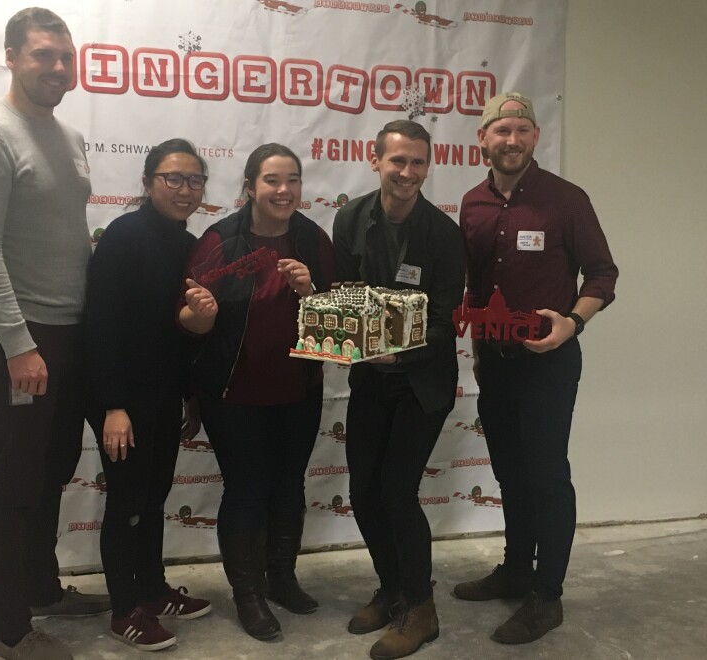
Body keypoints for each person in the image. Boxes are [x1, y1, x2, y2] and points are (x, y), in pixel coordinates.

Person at [0, 8, 112, 660]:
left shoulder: (65, 135)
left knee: (53, 471)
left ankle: (41, 588)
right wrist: (19, 344)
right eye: (44, 55)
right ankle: (8, 630)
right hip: (16, 335)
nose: (57, 68)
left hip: (67, 334)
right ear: (12, 56)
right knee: (13, 483)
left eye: (66, 57)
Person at [454, 92, 618, 645]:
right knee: (508, 470)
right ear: (483, 140)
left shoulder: (566, 200)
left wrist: (573, 321)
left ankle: (547, 596)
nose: (512, 139)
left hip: (548, 362)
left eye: (522, 129)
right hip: (494, 362)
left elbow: (602, 275)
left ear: (535, 137)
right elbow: (475, 286)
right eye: (501, 130)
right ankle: (516, 569)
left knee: (546, 476)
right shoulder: (472, 204)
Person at [178, 144, 336, 641]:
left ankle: (282, 580)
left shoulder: (312, 239)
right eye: (271, 180)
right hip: (234, 394)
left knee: (289, 486)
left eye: (292, 179)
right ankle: (247, 593)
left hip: (299, 390)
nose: (283, 190)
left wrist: (313, 292)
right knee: (247, 492)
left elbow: (338, 315)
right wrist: (199, 317)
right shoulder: (220, 240)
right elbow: (187, 320)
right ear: (249, 186)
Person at [332, 120, 466, 660]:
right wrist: (342, 334)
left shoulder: (443, 234)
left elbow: (444, 321)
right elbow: (343, 294)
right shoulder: (350, 217)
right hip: (369, 378)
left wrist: (395, 352)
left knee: (396, 492)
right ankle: (391, 590)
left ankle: (421, 609)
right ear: (376, 160)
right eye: (397, 161)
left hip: (421, 383)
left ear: (428, 167)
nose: (407, 172)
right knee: (363, 490)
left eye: (417, 163)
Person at [84, 139, 212, 652]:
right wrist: (114, 405)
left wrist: (190, 397)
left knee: (154, 496)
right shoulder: (124, 236)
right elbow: (101, 326)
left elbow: (178, 333)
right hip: (122, 401)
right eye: (173, 179)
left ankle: (154, 591)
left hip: (162, 395)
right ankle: (125, 609)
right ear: (147, 183)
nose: (185, 190)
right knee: (128, 501)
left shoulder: (190, 244)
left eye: (195, 180)